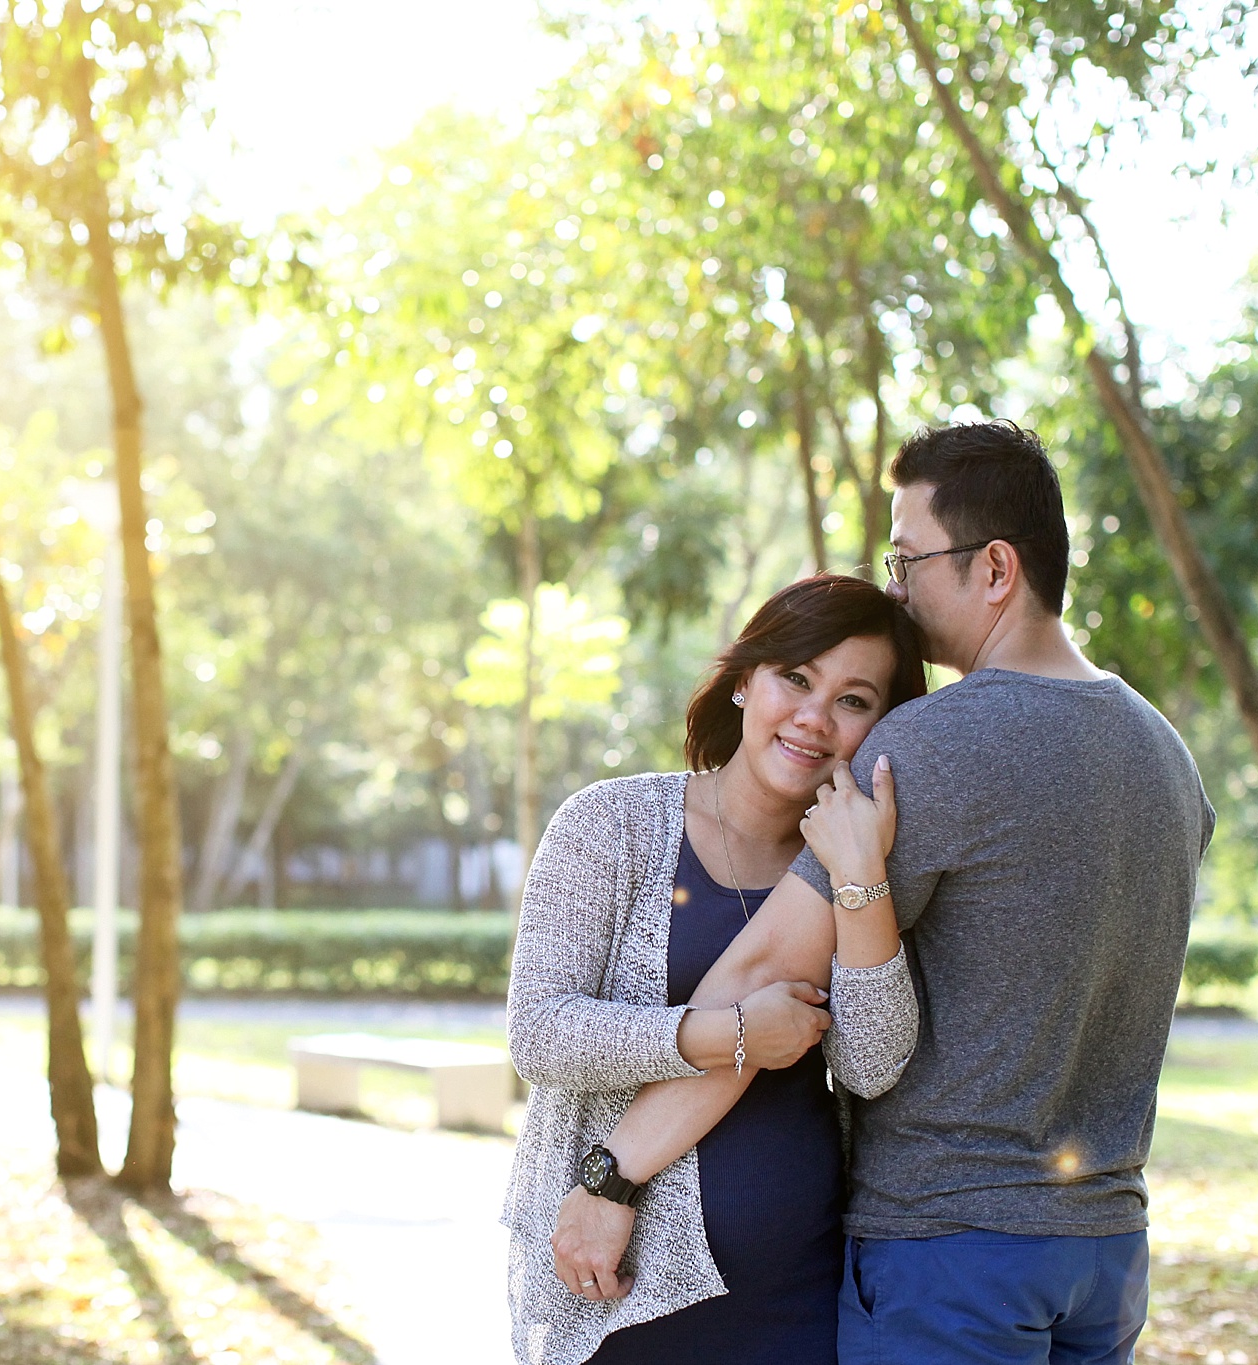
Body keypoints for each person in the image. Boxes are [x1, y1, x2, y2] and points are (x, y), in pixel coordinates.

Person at [552, 421, 1214, 1365]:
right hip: (1105, 1254)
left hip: (950, 1260)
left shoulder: (937, 745)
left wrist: (612, 1178)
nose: (896, 587)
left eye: (909, 560)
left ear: (994, 569)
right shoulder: (1165, 756)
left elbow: (762, 976)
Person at [502, 572, 928, 1365]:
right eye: (795, 677)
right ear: (743, 681)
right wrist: (727, 1033)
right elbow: (541, 1031)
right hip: (616, 1291)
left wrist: (860, 873)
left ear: (881, 726)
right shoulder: (612, 825)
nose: (813, 717)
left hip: (798, 1298)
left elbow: (872, 1062)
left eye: (853, 699)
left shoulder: (851, 856)